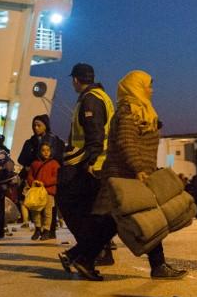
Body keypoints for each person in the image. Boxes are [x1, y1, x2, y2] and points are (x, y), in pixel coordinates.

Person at [92, 71, 186, 280]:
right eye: (148, 86)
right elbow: (127, 142)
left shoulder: (142, 110)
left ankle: (158, 265)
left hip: (135, 175)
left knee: (142, 219)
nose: (151, 90)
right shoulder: (128, 111)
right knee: (115, 222)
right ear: (136, 87)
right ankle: (81, 256)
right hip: (125, 176)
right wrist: (138, 169)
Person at [56, 63, 115, 280]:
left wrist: (89, 162)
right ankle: (82, 256)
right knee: (97, 218)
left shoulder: (91, 100)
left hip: (94, 167)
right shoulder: (100, 96)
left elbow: (95, 135)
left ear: (76, 80)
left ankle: (81, 255)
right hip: (98, 164)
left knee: (95, 217)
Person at [17, 115, 65, 238]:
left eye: (39, 125)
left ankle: (50, 230)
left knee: (49, 208)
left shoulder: (55, 140)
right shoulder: (30, 142)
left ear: (46, 126)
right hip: (36, 181)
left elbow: (60, 157)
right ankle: (38, 228)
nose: (36, 128)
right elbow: (22, 159)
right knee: (36, 207)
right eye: (34, 125)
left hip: (49, 181)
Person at [27, 144, 59, 241]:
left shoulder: (54, 163)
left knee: (47, 212)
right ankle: (37, 228)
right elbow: (30, 176)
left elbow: (56, 178)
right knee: (35, 211)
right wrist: (33, 182)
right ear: (39, 151)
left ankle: (46, 230)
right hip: (37, 191)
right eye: (43, 150)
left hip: (48, 192)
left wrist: (44, 183)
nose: (46, 152)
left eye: (48, 150)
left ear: (51, 151)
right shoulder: (34, 164)